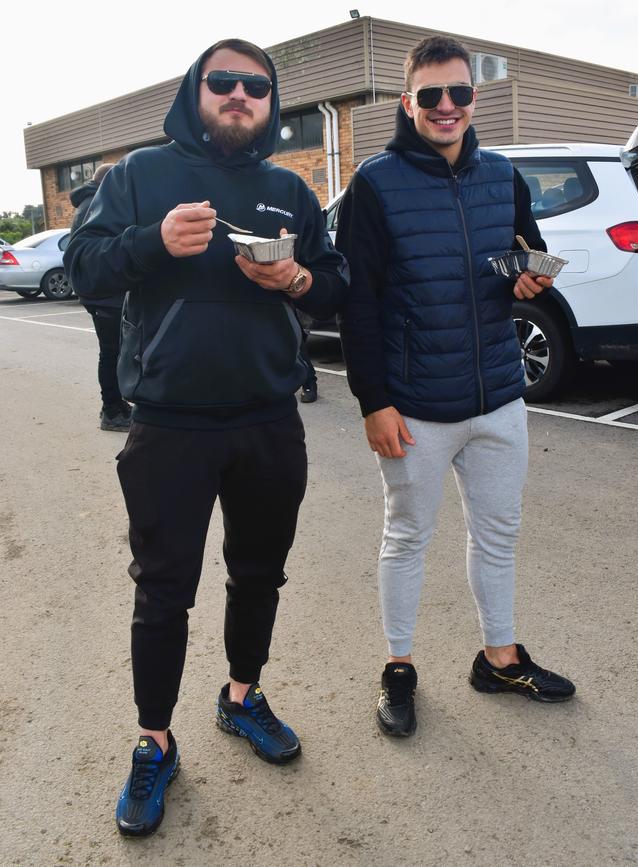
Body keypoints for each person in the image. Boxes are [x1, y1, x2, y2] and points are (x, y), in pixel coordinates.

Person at [64, 38, 348, 836]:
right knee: (162, 592)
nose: (238, 95)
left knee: (259, 574)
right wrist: (152, 242)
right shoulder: (139, 176)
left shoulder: (290, 189)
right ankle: (154, 739)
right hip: (169, 424)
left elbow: (335, 287)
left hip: (267, 419)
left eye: (255, 86)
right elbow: (82, 265)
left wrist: (293, 279)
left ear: (270, 101)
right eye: (222, 82)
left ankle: (240, 696)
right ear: (196, 91)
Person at [336, 35, 575, 738]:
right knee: (407, 535)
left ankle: (498, 657)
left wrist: (532, 276)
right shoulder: (374, 186)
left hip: (499, 396)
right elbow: (359, 304)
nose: (447, 107)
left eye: (459, 93)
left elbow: (524, 257)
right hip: (415, 405)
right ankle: (399, 667)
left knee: (499, 534)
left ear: (475, 99)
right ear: (409, 103)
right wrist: (373, 401)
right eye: (431, 95)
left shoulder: (503, 176)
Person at [69, 164, 132, 431]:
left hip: (98, 292)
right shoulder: (97, 204)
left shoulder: (88, 203)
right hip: (105, 293)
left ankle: (117, 405)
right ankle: (111, 411)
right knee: (111, 353)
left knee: (113, 351)